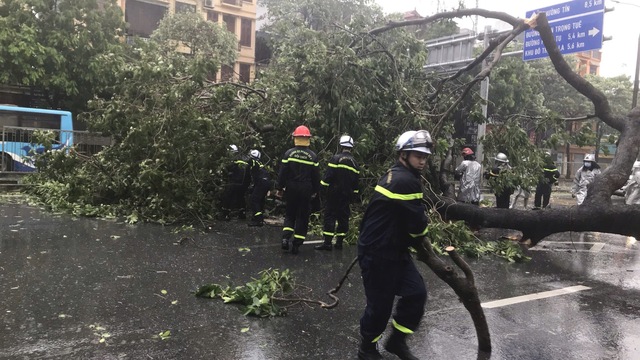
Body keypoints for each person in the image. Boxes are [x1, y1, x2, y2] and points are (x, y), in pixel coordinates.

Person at [357, 130, 431, 360]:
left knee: (416, 293)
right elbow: (417, 225)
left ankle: (396, 342)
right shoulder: (404, 180)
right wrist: (424, 242)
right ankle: (366, 348)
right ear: (403, 154)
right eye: (417, 155)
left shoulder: (400, 175)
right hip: (378, 252)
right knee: (380, 307)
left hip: (394, 249)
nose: (422, 160)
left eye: (425, 156)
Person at [276, 125, 320, 255]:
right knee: (302, 216)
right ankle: (296, 244)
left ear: (295, 138)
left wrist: (279, 187)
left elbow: (282, 173)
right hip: (306, 189)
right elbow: (316, 176)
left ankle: (285, 238)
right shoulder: (313, 156)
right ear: (308, 139)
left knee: (290, 213)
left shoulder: (289, 153)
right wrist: (316, 191)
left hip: (291, 188)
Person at [314, 135, 360, 251]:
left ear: (341, 146)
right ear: (351, 148)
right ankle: (339, 243)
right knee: (343, 218)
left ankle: (328, 243)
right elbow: (356, 184)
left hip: (333, 194)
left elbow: (328, 177)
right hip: (346, 196)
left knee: (330, 216)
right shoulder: (355, 163)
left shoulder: (336, 159)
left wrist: (322, 189)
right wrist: (354, 197)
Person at [219, 144, 251, 220]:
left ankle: (226, 214)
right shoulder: (244, 158)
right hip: (244, 183)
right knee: (240, 197)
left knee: (228, 196)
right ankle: (242, 214)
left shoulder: (233, 159)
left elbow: (229, 168)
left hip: (235, 181)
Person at [247, 150, 271, 227]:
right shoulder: (260, 163)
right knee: (260, 200)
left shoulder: (253, 162)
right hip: (266, 182)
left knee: (254, 200)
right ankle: (258, 217)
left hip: (261, 182)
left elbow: (251, 169)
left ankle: (258, 220)